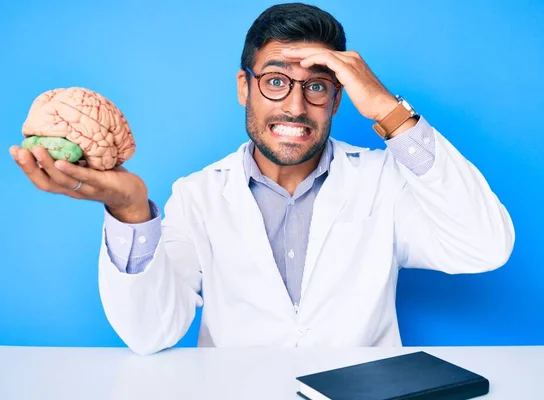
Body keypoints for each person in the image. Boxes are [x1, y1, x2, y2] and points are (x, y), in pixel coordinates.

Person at [9, 3, 515, 356]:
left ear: (340, 97)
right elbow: (150, 332)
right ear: (243, 87)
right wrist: (131, 209)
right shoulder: (199, 194)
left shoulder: (385, 180)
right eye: (275, 81)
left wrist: (388, 110)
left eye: (317, 86)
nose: (296, 106)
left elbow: (485, 247)